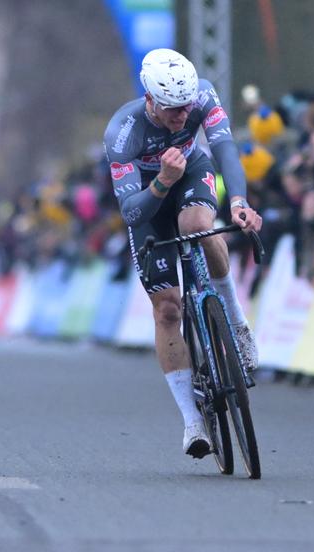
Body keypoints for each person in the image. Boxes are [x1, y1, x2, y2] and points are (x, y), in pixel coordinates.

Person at [103, 48, 263, 459]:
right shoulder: (123, 132)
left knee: (198, 226)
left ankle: (237, 324)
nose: (181, 116)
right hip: (148, 199)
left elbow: (226, 148)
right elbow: (131, 211)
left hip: (192, 174)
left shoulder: (203, 96)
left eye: (186, 107)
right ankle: (193, 420)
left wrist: (240, 201)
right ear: (150, 100)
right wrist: (160, 182)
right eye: (173, 110)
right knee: (168, 311)